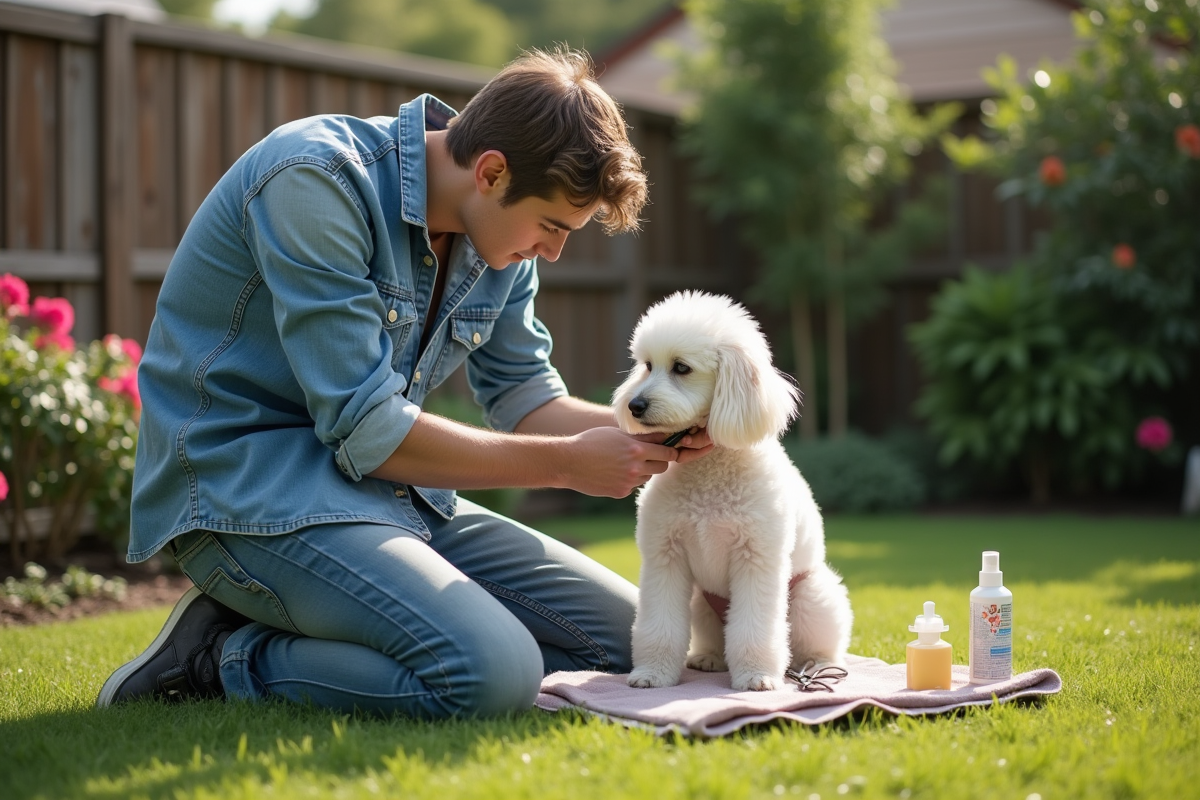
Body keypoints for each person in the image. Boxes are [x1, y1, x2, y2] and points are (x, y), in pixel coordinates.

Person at [96, 48, 712, 719]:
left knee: (643, 644)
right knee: (492, 675)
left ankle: (359, 636)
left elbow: (527, 397)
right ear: (492, 171)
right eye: (552, 226)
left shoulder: (498, 236)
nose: (554, 251)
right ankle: (224, 657)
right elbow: (367, 426)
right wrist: (566, 465)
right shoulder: (315, 179)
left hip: (390, 496)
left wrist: (673, 428)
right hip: (246, 496)